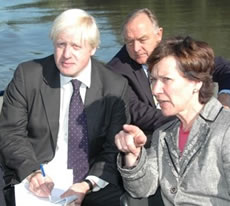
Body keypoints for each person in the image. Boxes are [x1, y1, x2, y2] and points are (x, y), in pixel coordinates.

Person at [0, 9, 130, 206]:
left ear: (93, 48)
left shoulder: (115, 86)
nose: (66, 55)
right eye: (61, 45)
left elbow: (113, 149)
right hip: (36, 176)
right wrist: (32, 172)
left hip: (90, 181)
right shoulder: (28, 76)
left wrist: (87, 184)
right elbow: (11, 132)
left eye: (76, 46)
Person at [115, 36, 230, 205]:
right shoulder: (163, 133)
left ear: (196, 83)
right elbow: (141, 189)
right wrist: (134, 155)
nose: (155, 90)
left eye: (166, 80)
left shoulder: (225, 131)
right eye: (153, 80)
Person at [108, 8, 230, 142]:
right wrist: (194, 121)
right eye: (129, 42)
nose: (136, 48)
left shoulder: (177, 52)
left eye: (142, 40)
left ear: (159, 34)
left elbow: (224, 68)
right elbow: (141, 115)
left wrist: (225, 94)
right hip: (152, 140)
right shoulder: (115, 72)